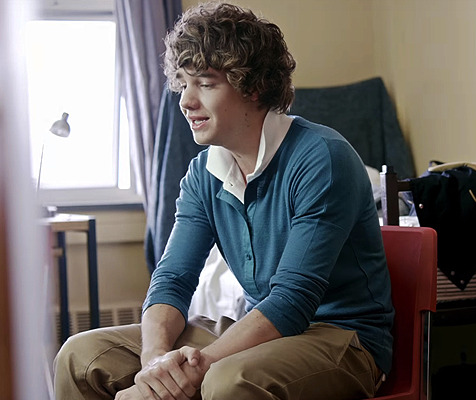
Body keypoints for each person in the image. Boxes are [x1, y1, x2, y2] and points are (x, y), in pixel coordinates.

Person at [53, 2, 394, 399]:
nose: (186, 101)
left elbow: (292, 301)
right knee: (81, 356)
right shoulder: (203, 174)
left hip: (342, 339)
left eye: (205, 83)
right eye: (183, 83)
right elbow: (172, 279)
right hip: (258, 335)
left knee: (226, 381)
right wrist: (155, 364)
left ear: (252, 86)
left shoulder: (322, 158)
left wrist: (192, 371)